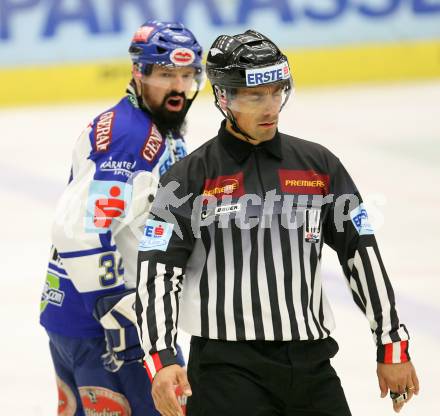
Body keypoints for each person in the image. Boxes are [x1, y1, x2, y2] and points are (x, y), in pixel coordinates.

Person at [136, 29, 420, 416]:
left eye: (277, 92)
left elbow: (361, 254)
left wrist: (392, 344)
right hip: (226, 373)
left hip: (311, 366)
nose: (270, 107)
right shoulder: (188, 178)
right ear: (224, 97)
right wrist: (162, 358)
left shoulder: (319, 166)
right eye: (255, 96)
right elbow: (157, 270)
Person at [39, 20, 203, 416]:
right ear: (139, 72)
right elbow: (84, 229)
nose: (178, 87)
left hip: (77, 315)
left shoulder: (150, 125)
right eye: (166, 75)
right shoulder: (131, 137)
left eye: (187, 75)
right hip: (112, 330)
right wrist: (115, 310)